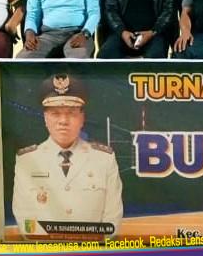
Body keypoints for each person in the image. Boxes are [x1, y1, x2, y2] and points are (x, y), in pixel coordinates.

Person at [12, 73, 123, 237]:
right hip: (44, 250)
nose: (63, 121)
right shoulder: (27, 160)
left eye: (71, 113)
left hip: (92, 250)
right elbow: (25, 218)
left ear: (82, 118)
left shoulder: (104, 159)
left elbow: (112, 218)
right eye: (55, 113)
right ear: (45, 118)